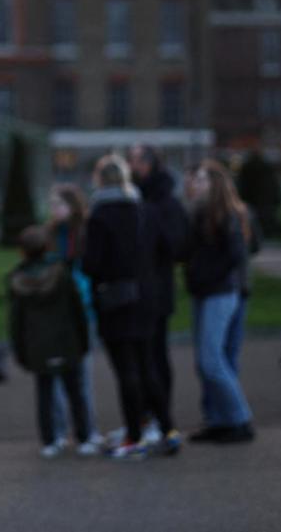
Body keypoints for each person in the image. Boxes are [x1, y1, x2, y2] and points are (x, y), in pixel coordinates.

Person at [82, 155, 180, 460]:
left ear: (100, 179)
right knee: (148, 364)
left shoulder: (100, 216)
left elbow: (91, 263)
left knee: (127, 370)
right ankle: (167, 429)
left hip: (117, 300)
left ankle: (134, 435)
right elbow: (167, 249)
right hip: (147, 296)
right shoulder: (145, 210)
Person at [183, 160, 256, 444]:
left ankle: (239, 418)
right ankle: (218, 419)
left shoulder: (227, 213)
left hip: (221, 291)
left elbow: (235, 254)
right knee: (207, 362)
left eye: (201, 180)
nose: (195, 184)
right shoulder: (199, 212)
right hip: (205, 290)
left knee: (212, 359)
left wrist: (204, 273)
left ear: (215, 185)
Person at [8, 225, 93, 459]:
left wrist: (20, 351)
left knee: (44, 394)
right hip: (67, 340)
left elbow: (16, 322)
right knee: (75, 391)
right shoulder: (63, 275)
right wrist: (84, 340)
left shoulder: (18, 281)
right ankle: (84, 437)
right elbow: (78, 311)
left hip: (38, 344)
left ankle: (50, 440)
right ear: (47, 247)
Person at [128, 144, 189, 442]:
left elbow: (177, 247)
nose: (131, 165)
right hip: (139, 289)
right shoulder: (140, 197)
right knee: (141, 359)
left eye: (136, 160)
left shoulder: (164, 203)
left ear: (149, 164)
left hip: (156, 289)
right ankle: (144, 416)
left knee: (154, 357)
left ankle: (161, 418)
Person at [44, 183, 101, 449]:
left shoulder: (85, 233)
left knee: (81, 374)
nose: (54, 210)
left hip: (80, 309)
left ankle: (86, 430)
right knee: (54, 373)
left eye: (59, 204)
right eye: (52, 205)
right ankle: (58, 430)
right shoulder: (51, 234)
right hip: (55, 313)